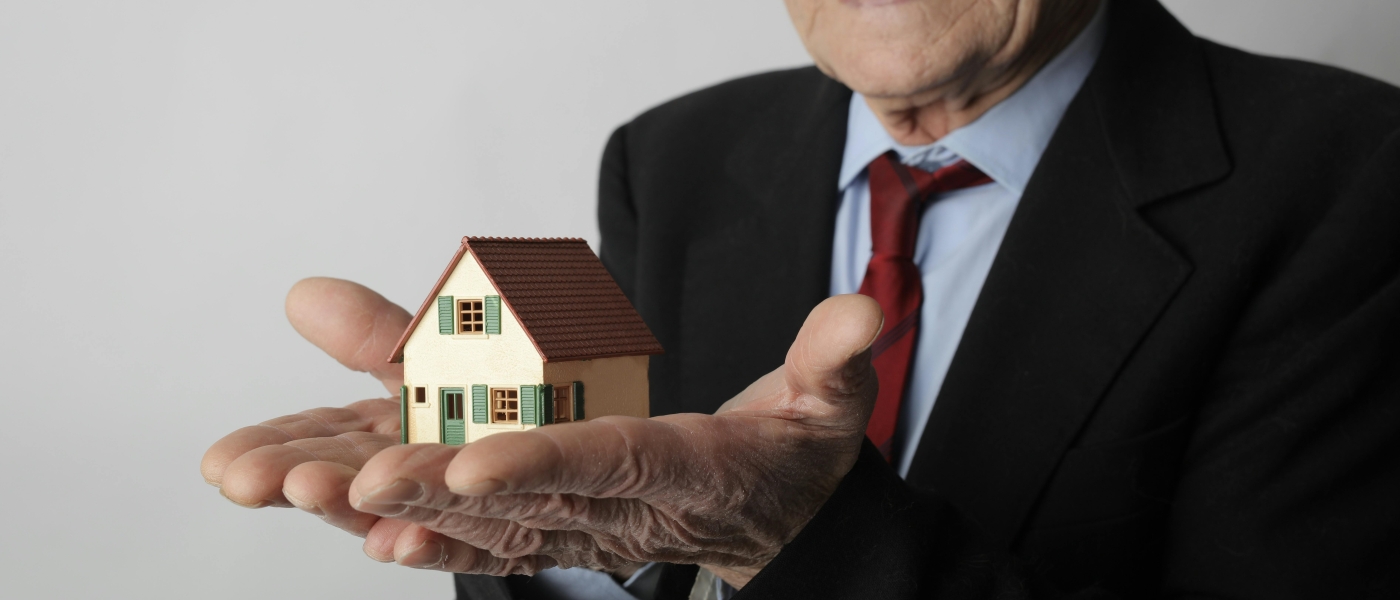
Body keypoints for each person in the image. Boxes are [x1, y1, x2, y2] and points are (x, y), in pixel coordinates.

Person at [201, 0, 1400, 597]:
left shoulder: (1352, 177)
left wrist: (793, 533)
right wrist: (545, 527)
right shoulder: (669, 156)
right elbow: (628, 502)